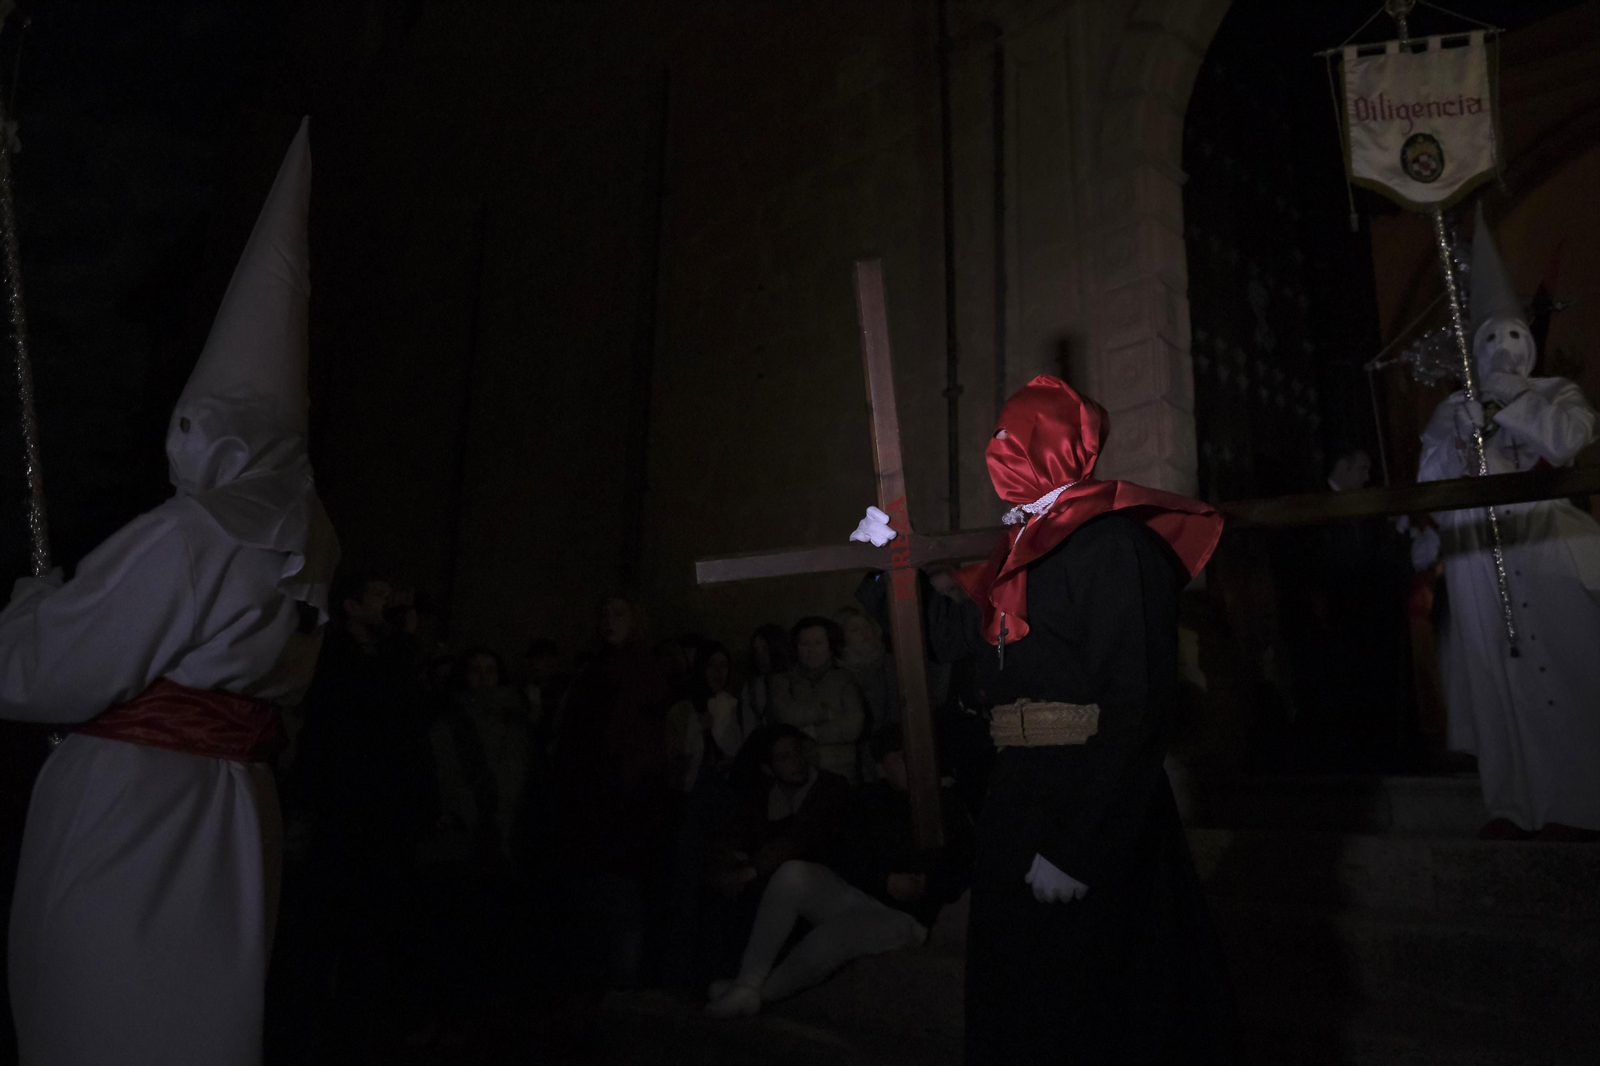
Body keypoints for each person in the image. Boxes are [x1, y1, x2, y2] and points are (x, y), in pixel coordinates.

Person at [0, 121, 338, 1066]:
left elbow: (48, 672)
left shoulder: (202, 531)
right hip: (233, 815)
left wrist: (32, 606)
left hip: (133, 817)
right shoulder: (311, 539)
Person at [853, 375, 1234, 1063]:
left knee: (1104, 1005)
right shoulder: (1016, 554)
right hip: (1019, 795)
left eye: (1008, 436)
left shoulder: (1114, 546)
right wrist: (885, 574)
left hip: (1092, 800)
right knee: (1022, 1006)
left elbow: (1138, 705)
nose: (995, 450)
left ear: (1047, 445)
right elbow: (944, 637)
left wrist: (1082, 844)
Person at [1415, 205, 1600, 840]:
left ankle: (1583, 803)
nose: (1505, 348)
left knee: (1573, 669)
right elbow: (1429, 485)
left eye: (1516, 336)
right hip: (1478, 555)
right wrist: (1456, 434)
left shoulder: (1555, 392)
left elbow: (1570, 440)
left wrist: (1511, 401)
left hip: (1548, 545)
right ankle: (1514, 807)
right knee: (1499, 683)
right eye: (1491, 338)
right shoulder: (1452, 404)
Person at [704, 725, 973, 1018]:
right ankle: (746, 983)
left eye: (914, 756)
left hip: (906, 919)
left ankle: (758, 994)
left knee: (830, 939)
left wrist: (928, 884)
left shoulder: (946, 805)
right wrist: (884, 880)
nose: (911, 764)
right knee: (793, 874)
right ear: (882, 768)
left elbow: (963, 866)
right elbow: (843, 852)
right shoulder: (868, 801)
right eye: (899, 758)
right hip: (862, 896)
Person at [546, 595, 671, 991]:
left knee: (619, 900)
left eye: (619, 613)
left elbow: (643, 743)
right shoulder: (592, 668)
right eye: (604, 614)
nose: (609, 622)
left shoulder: (642, 669)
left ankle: (617, 992)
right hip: (588, 802)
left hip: (622, 805)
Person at [767, 617, 867, 782]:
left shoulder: (844, 679)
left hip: (840, 771)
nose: (811, 650)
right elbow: (784, 716)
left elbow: (854, 724)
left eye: (818, 643)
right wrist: (825, 713)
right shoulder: (785, 681)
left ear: (830, 647)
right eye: (804, 644)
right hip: (799, 774)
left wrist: (815, 732)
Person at [737, 622, 792, 728]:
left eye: (765, 650)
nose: (760, 657)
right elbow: (748, 725)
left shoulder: (795, 682)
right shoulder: (752, 687)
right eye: (756, 651)